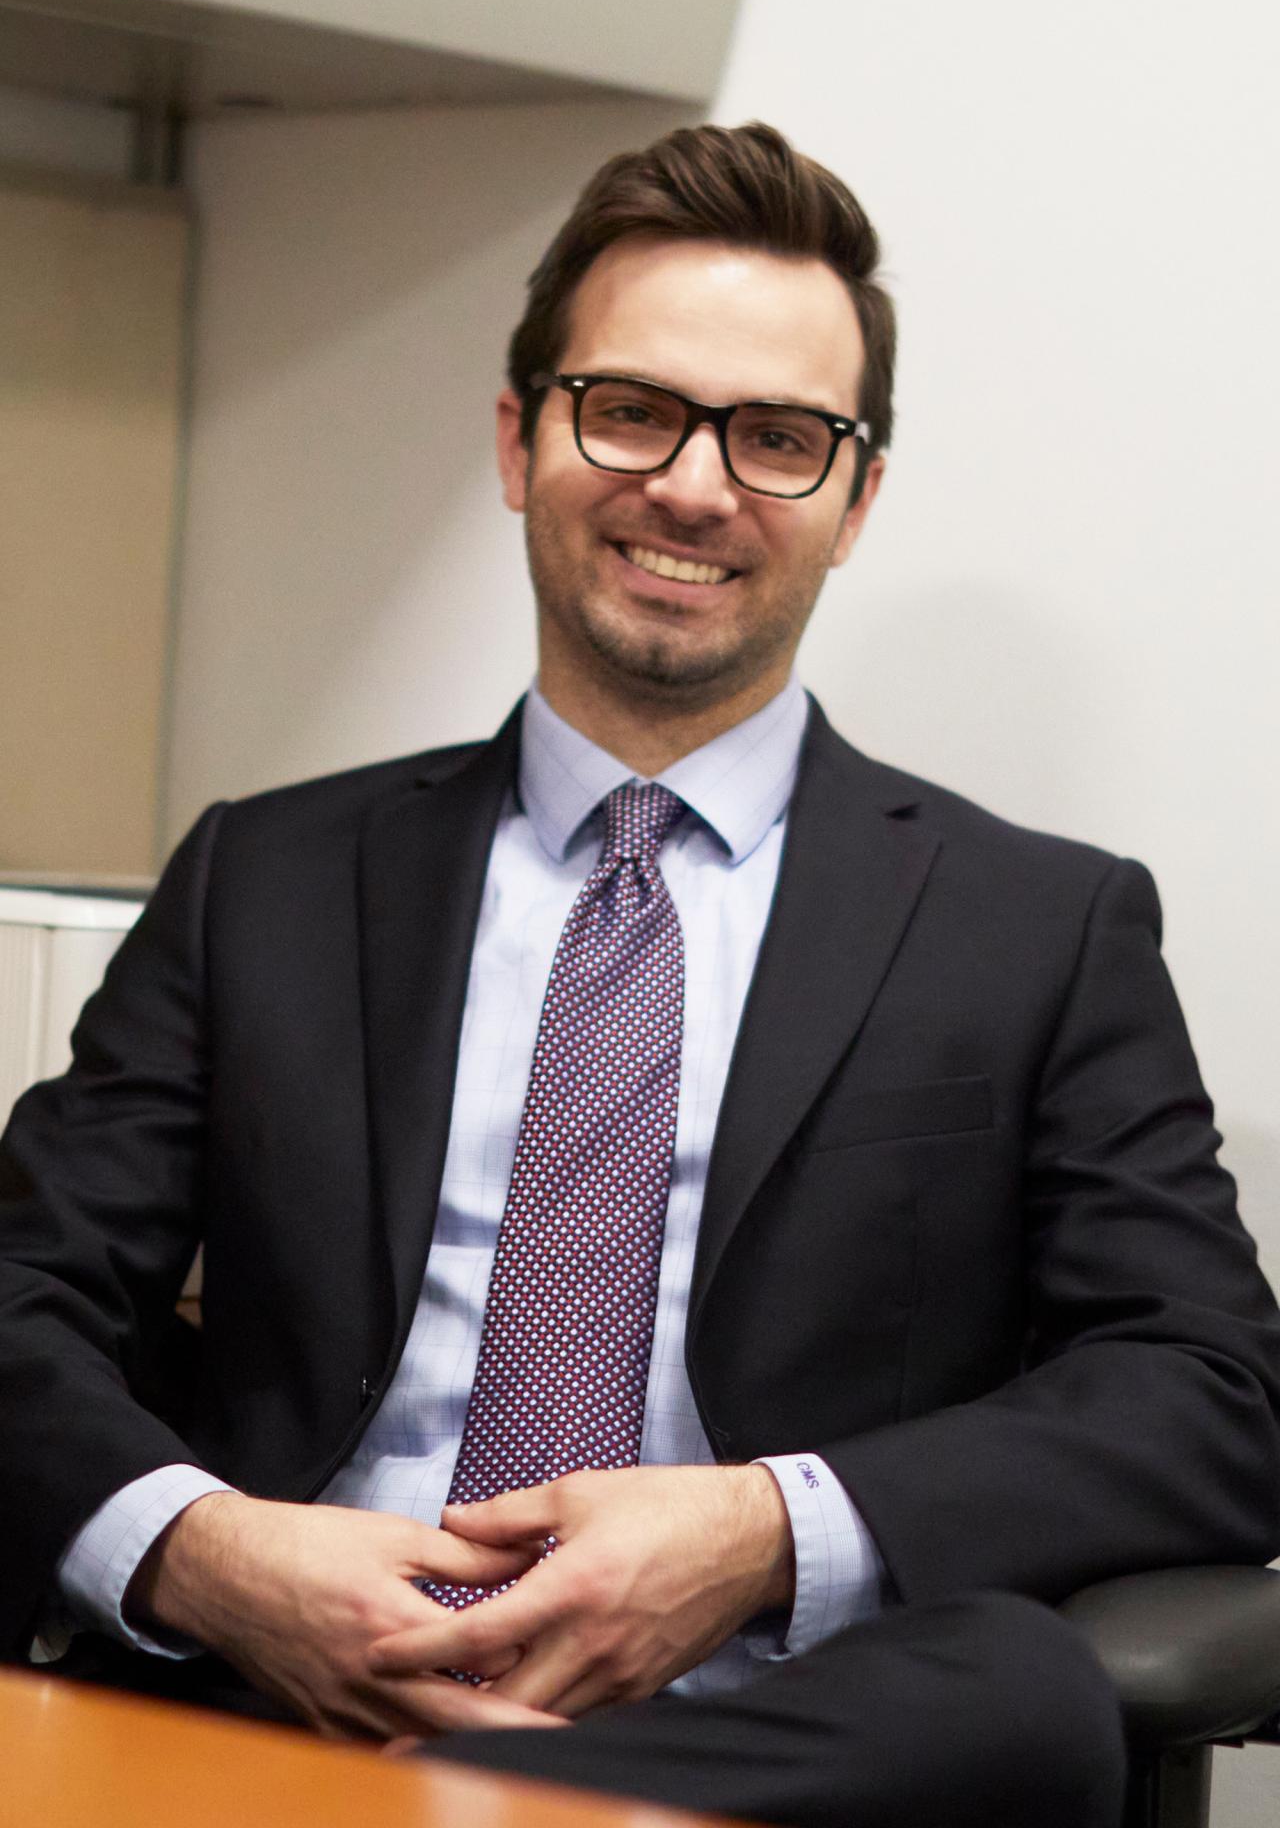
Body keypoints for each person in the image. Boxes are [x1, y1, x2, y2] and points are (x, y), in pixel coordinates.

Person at [1, 121, 1277, 1828]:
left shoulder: (1037, 925)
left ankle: (450, 1802)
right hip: (284, 1670)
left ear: (854, 502)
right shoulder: (270, 876)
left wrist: (763, 1535)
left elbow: (1212, 1391)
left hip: (762, 1719)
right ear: (523, 440)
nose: (693, 484)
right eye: (634, 409)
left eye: (776, 439)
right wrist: (208, 1558)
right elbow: (19, 1288)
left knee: (1032, 1702)